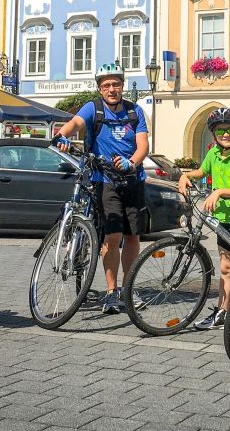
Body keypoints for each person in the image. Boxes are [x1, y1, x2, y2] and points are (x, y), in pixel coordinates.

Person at [54, 62, 150, 314]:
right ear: (99, 89)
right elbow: (74, 124)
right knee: (112, 236)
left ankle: (128, 289)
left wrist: (132, 162)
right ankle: (111, 291)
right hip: (105, 180)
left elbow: (143, 146)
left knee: (132, 237)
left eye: (116, 84)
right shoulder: (93, 109)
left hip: (133, 180)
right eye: (106, 85)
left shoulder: (135, 111)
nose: (111, 89)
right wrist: (62, 135)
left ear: (122, 86)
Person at [177, 107, 230, 336]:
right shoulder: (213, 154)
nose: (225, 134)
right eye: (220, 130)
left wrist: (219, 192)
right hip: (222, 220)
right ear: (213, 134)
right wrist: (186, 175)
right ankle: (222, 311)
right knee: (226, 268)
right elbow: (202, 172)